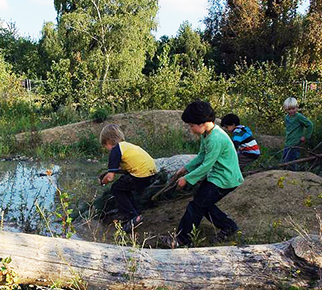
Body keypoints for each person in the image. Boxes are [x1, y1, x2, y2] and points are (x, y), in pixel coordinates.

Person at [166, 101, 243, 247]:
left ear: (202, 123)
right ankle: (229, 226)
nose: (191, 129)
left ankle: (182, 239)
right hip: (217, 176)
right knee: (203, 203)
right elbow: (202, 155)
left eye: (191, 126)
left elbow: (207, 165)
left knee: (196, 206)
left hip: (225, 179)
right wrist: (185, 168)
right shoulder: (208, 134)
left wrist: (187, 179)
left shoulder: (215, 139)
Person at [99, 124, 158, 232]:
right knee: (125, 188)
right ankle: (136, 213)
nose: (106, 149)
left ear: (108, 141)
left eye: (105, 146)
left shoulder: (115, 150)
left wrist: (102, 182)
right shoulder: (126, 146)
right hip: (152, 173)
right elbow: (128, 168)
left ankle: (132, 216)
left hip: (141, 175)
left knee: (116, 188)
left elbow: (110, 178)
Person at [282, 97, 313, 170]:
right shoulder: (286, 117)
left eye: (293, 108)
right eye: (289, 109)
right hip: (288, 142)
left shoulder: (298, 117)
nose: (291, 111)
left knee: (290, 161)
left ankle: (293, 176)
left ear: (296, 107)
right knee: (284, 159)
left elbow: (310, 125)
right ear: (286, 109)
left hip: (295, 143)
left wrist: (305, 136)